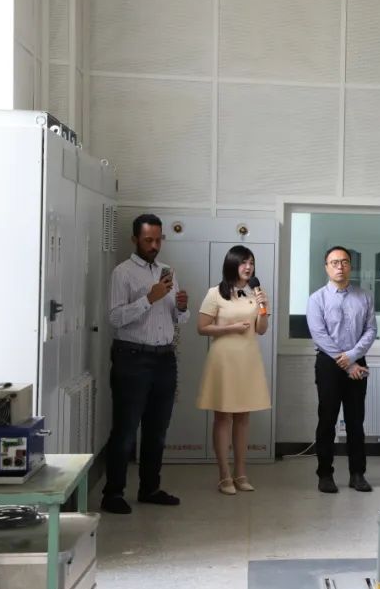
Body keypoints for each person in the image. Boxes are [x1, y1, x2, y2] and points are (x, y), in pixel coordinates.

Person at [102, 214, 188, 514]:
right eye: (148, 240)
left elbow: (178, 319)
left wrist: (181, 307)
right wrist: (149, 299)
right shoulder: (122, 273)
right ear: (135, 240)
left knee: (157, 430)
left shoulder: (167, 272)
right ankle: (113, 493)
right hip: (132, 358)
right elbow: (114, 317)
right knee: (126, 430)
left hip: (165, 358)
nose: (154, 245)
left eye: (158, 239)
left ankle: (150, 488)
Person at [196, 246, 271, 495]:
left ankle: (241, 473)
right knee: (223, 418)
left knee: (243, 418)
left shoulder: (255, 293)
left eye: (251, 262)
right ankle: (224, 475)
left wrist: (263, 307)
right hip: (224, 360)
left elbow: (261, 329)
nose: (248, 267)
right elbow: (202, 327)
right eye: (243, 263)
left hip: (248, 359)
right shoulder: (215, 293)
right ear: (232, 265)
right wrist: (231, 328)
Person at [306, 246, 377, 494]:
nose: (340, 266)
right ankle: (325, 474)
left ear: (350, 266)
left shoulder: (364, 297)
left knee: (356, 421)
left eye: (344, 262)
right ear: (326, 267)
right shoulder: (317, 299)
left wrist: (353, 357)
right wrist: (346, 362)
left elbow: (371, 330)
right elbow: (319, 334)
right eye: (334, 262)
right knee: (327, 419)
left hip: (357, 361)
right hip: (329, 363)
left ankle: (357, 474)